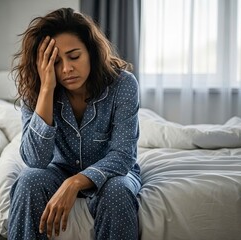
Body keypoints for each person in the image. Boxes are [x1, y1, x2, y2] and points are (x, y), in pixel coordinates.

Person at [8, 7, 141, 240]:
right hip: (59, 169)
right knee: (28, 181)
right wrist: (47, 89)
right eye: (55, 62)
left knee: (118, 192)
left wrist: (75, 183)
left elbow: (123, 155)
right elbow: (35, 160)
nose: (67, 69)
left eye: (74, 56)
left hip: (112, 173)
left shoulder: (123, 84)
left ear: (91, 52)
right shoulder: (37, 90)